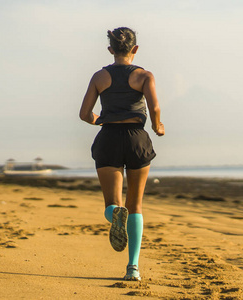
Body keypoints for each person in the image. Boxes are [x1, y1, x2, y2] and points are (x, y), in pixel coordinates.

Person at [79, 27, 164, 281]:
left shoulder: (99, 77)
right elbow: (155, 107)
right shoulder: (144, 76)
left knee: (112, 204)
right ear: (135, 49)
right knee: (135, 205)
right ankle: (133, 268)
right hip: (137, 138)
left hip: (108, 138)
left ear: (110, 50)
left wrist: (102, 121)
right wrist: (157, 126)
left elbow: (84, 114)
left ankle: (114, 214)